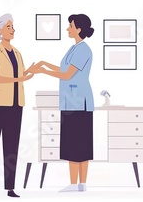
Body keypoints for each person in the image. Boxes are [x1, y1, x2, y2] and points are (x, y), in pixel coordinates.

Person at [31, 14, 95, 192]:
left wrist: (43, 71)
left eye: (70, 26)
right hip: (71, 102)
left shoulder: (83, 49)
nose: (68, 28)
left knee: (78, 144)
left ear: (78, 29)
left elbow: (67, 75)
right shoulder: (74, 48)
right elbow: (63, 69)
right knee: (76, 143)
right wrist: (44, 64)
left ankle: (78, 184)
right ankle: (78, 184)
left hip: (78, 103)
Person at [0, 13, 36, 198]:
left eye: (13, 27)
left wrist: (31, 71)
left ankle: (10, 188)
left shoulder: (17, 52)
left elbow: (19, 74)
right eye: (9, 27)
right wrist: (21, 78)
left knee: (12, 147)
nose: (13, 30)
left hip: (15, 104)